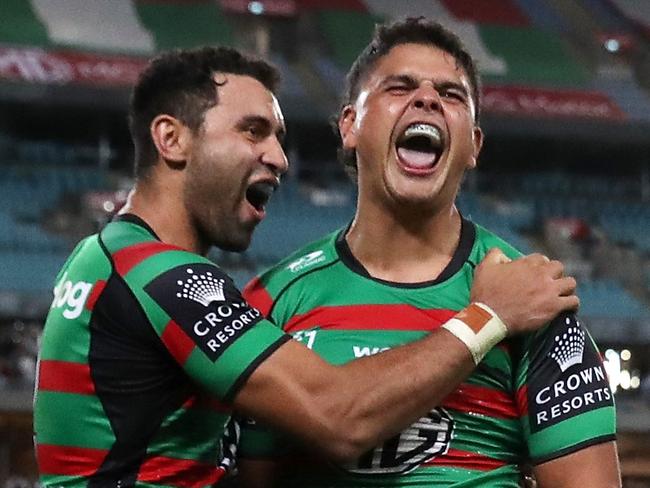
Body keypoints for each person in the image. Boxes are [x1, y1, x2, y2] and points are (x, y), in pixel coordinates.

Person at [33, 45, 580, 488]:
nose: (278, 156)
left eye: (278, 137)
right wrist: (488, 316)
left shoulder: (103, 258)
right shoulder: (164, 276)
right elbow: (339, 417)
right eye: (252, 131)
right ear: (171, 139)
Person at [234, 18, 621, 488]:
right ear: (350, 125)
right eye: (399, 87)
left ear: (473, 144)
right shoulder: (272, 300)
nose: (427, 99)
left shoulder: (537, 301)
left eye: (451, 94)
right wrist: (486, 318)